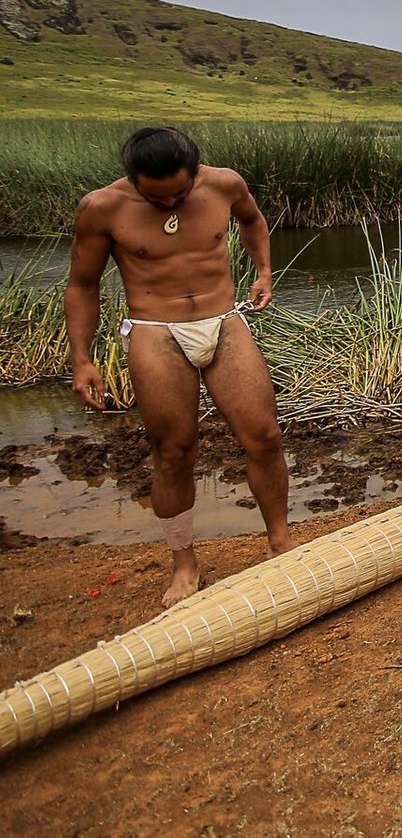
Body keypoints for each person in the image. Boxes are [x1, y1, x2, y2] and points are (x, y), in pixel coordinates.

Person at [65, 126, 298, 608]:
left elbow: (253, 220)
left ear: (196, 171)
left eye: (180, 193)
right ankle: (185, 563)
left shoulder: (223, 184)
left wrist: (263, 271)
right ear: (133, 179)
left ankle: (280, 541)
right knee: (174, 452)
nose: (170, 204)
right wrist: (82, 359)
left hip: (225, 320)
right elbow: (83, 284)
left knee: (265, 435)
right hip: (156, 330)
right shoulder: (103, 208)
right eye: (157, 198)